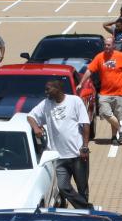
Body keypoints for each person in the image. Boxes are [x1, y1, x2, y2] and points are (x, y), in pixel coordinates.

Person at [27, 79, 91, 208]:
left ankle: (84, 215)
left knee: (82, 188)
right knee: (62, 187)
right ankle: (87, 209)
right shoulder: (46, 104)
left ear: (58, 89)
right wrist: (35, 127)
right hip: (58, 156)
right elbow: (30, 116)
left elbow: (85, 124)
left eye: (48, 89)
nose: (46, 92)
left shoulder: (75, 101)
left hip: (77, 154)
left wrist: (85, 147)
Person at [79, 36, 122, 143]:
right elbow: (89, 70)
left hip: (119, 92)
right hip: (104, 93)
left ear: (113, 46)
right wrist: (81, 82)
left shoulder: (120, 56)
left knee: (116, 115)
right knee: (105, 112)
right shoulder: (99, 57)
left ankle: (114, 137)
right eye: (105, 45)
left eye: (108, 45)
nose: (106, 46)